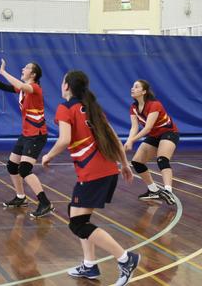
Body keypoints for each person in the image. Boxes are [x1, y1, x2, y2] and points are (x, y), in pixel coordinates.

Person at [42, 70, 140, 285]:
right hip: (105, 170)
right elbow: (113, 135)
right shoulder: (91, 108)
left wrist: (48, 155)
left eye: (62, 82)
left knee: (77, 224)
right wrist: (124, 163)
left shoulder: (66, 108)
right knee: (76, 215)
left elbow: (65, 139)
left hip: (94, 173)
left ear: (67, 86)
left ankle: (126, 258)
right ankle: (89, 265)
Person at [0, 59, 53, 218]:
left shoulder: (35, 88)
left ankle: (45, 203)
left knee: (24, 169)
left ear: (33, 74)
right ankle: (20, 197)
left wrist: (3, 72)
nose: (23, 69)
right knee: (12, 166)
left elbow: (21, 85)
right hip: (26, 134)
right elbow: (6, 87)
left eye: (26, 68)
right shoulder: (23, 90)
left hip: (37, 135)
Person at [124, 79, 177, 205]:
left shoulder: (154, 104)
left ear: (144, 91)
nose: (132, 89)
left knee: (162, 159)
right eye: (132, 86)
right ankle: (153, 190)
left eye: (136, 87)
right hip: (154, 135)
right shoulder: (134, 107)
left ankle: (168, 191)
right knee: (137, 162)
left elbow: (147, 128)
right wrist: (128, 140)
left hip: (169, 133)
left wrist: (132, 140)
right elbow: (134, 127)